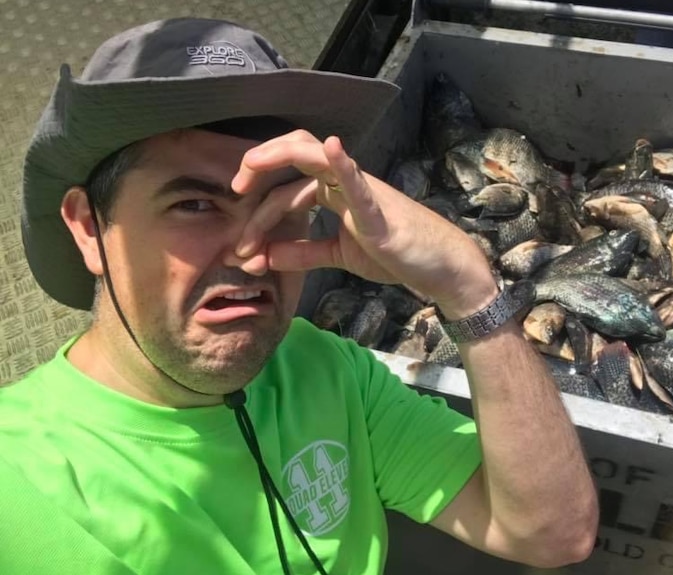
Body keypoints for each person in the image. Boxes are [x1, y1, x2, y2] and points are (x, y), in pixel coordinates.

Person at [0, 17, 598, 575]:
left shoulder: (324, 367)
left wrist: (466, 286)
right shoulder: (22, 488)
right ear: (88, 227)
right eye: (195, 205)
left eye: (279, 206)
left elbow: (549, 533)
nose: (250, 251)